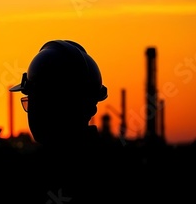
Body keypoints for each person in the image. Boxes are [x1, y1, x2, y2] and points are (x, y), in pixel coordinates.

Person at [8, 40, 134, 203]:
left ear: (47, 105)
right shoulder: (115, 166)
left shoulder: (34, 175)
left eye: (32, 101)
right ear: (91, 107)